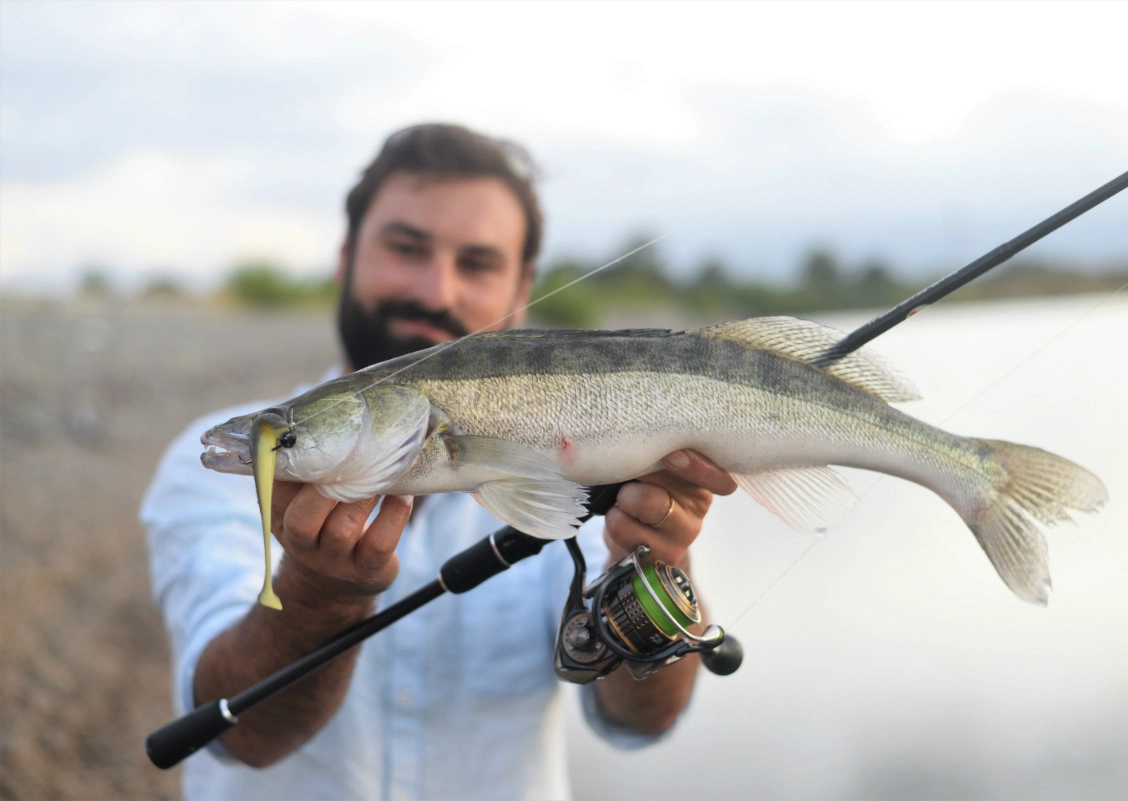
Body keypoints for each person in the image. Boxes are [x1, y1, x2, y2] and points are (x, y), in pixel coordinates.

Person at [143, 123, 737, 801]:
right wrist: (317, 597)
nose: (436, 289)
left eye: (477, 262)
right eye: (406, 247)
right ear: (345, 254)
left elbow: (637, 721)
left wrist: (656, 569)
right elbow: (240, 736)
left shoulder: (587, 448)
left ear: (522, 288)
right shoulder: (218, 469)